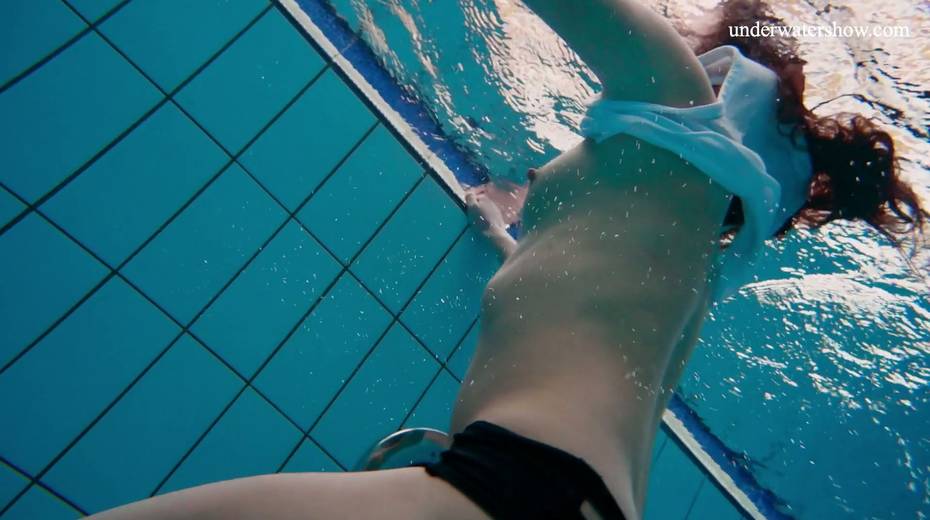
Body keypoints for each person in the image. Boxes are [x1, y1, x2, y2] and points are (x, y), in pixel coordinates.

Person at [91, 0, 925, 519]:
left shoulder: (675, 92)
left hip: (518, 484)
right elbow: (560, 302)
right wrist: (501, 232)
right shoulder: (695, 258)